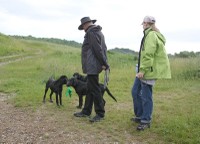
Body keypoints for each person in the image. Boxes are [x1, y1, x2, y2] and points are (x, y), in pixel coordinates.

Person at [131, 16, 171, 130]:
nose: (142, 25)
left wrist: (143, 70)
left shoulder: (151, 35)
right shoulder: (148, 34)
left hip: (148, 70)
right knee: (135, 91)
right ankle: (140, 115)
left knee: (146, 95)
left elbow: (149, 54)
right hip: (143, 69)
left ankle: (146, 120)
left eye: (143, 23)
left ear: (146, 24)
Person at [74, 17, 109, 122]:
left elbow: (97, 49)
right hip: (93, 65)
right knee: (89, 88)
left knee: (95, 89)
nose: (83, 29)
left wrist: (104, 63)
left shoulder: (91, 33)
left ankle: (100, 114)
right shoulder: (98, 32)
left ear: (85, 25)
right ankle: (86, 110)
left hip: (92, 65)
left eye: (83, 26)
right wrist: (103, 62)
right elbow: (104, 48)